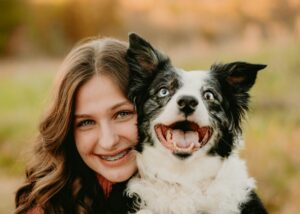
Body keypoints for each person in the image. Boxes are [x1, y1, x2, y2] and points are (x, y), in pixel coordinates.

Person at [15, 37, 138, 213]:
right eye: (86, 122)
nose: (108, 141)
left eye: (122, 114)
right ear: (66, 131)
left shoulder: (189, 191)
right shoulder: (48, 205)